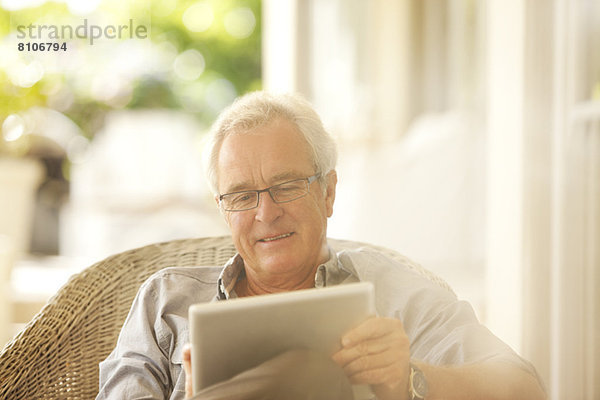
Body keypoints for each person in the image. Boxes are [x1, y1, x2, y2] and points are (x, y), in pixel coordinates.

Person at [97, 91, 546, 400]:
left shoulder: (394, 292)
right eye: (241, 196)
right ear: (223, 209)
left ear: (328, 192)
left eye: (287, 185)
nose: (265, 213)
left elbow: (524, 388)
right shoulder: (165, 301)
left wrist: (410, 379)